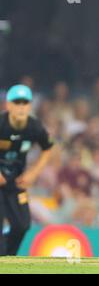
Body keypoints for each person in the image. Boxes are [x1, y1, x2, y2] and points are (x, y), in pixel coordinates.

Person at [0, 84, 53, 255]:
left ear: (30, 106)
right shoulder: (1, 124)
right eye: (17, 103)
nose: (21, 107)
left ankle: (8, 259)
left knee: (22, 225)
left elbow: (47, 148)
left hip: (16, 181)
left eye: (25, 103)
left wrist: (33, 173)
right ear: (8, 105)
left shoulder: (35, 127)